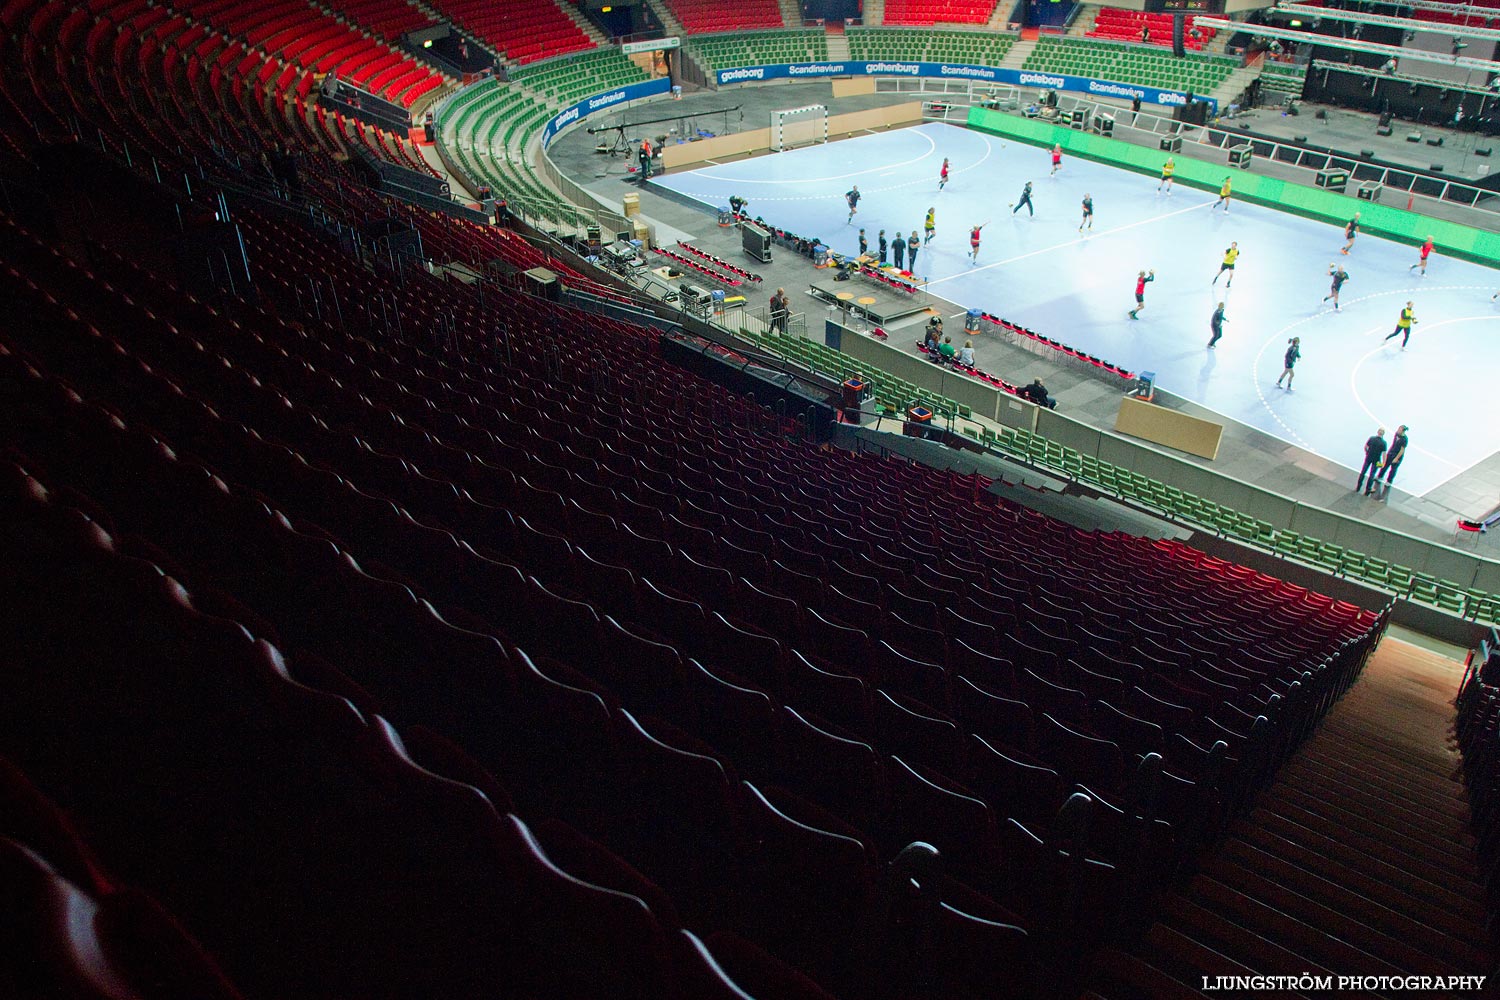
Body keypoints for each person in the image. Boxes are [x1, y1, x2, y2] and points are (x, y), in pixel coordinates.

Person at [1376, 425, 1409, 497]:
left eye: (1400, 429)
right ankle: (1380, 476)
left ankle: (1389, 481)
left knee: (1393, 469)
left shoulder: (1405, 439)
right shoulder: (1396, 434)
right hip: (1391, 452)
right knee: (1385, 465)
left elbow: (1402, 450)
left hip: (1397, 455)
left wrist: (1397, 458)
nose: (1398, 430)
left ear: (1403, 431)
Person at [1356, 428, 1388, 495]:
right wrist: (1384, 463)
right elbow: (1384, 454)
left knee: (1363, 472)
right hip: (1376, 460)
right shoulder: (1384, 443)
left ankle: (1358, 487)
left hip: (1369, 457)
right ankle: (1368, 489)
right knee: (1372, 474)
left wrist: (1367, 453)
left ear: (1378, 432)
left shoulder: (1371, 438)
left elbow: (1365, 447)